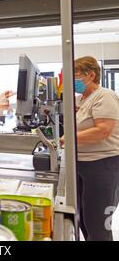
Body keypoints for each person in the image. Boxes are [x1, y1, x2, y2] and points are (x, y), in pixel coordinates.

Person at [61, 56, 119, 241]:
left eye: (75, 76)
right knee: (83, 220)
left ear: (91, 75)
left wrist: (69, 138)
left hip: (102, 165)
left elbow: (103, 131)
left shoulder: (105, 95)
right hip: (81, 164)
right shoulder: (80, 99)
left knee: (98, 223)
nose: (72, 81)